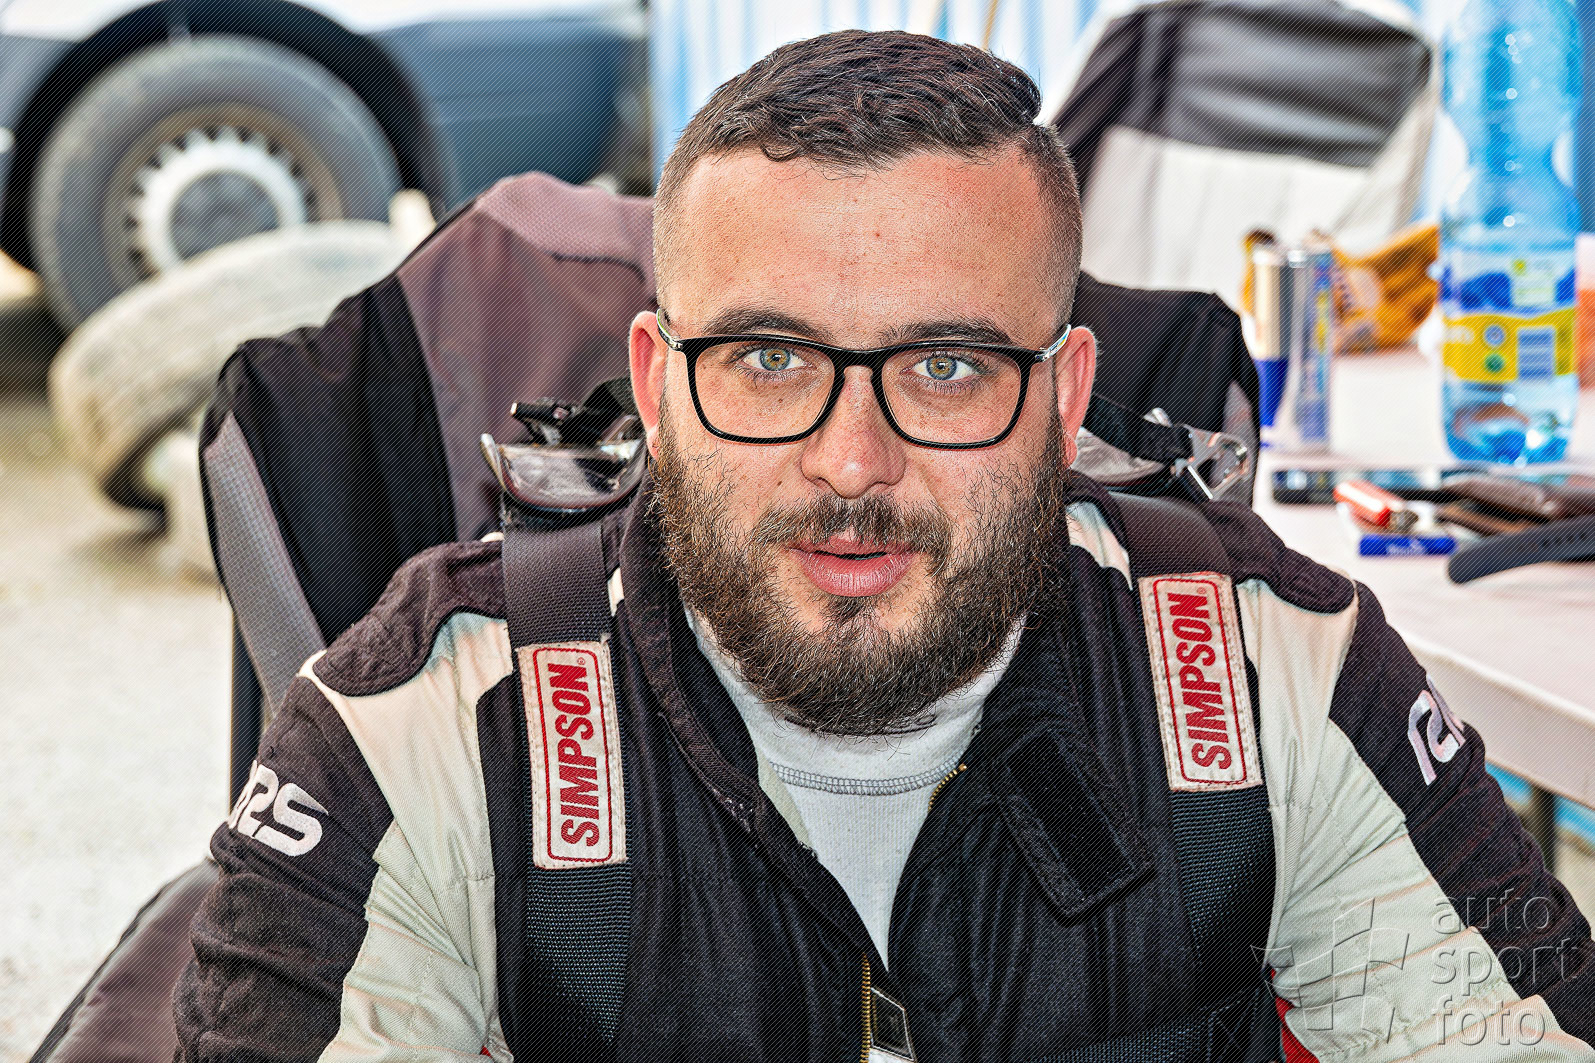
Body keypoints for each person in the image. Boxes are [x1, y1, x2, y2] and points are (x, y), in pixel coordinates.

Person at [174, 29, 1595, 1062]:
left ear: (1068, 399)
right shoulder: (419, 730)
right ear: (657, 388)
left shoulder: (1273, 669)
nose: (853, 465)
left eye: (949, 370)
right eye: (769, 362)